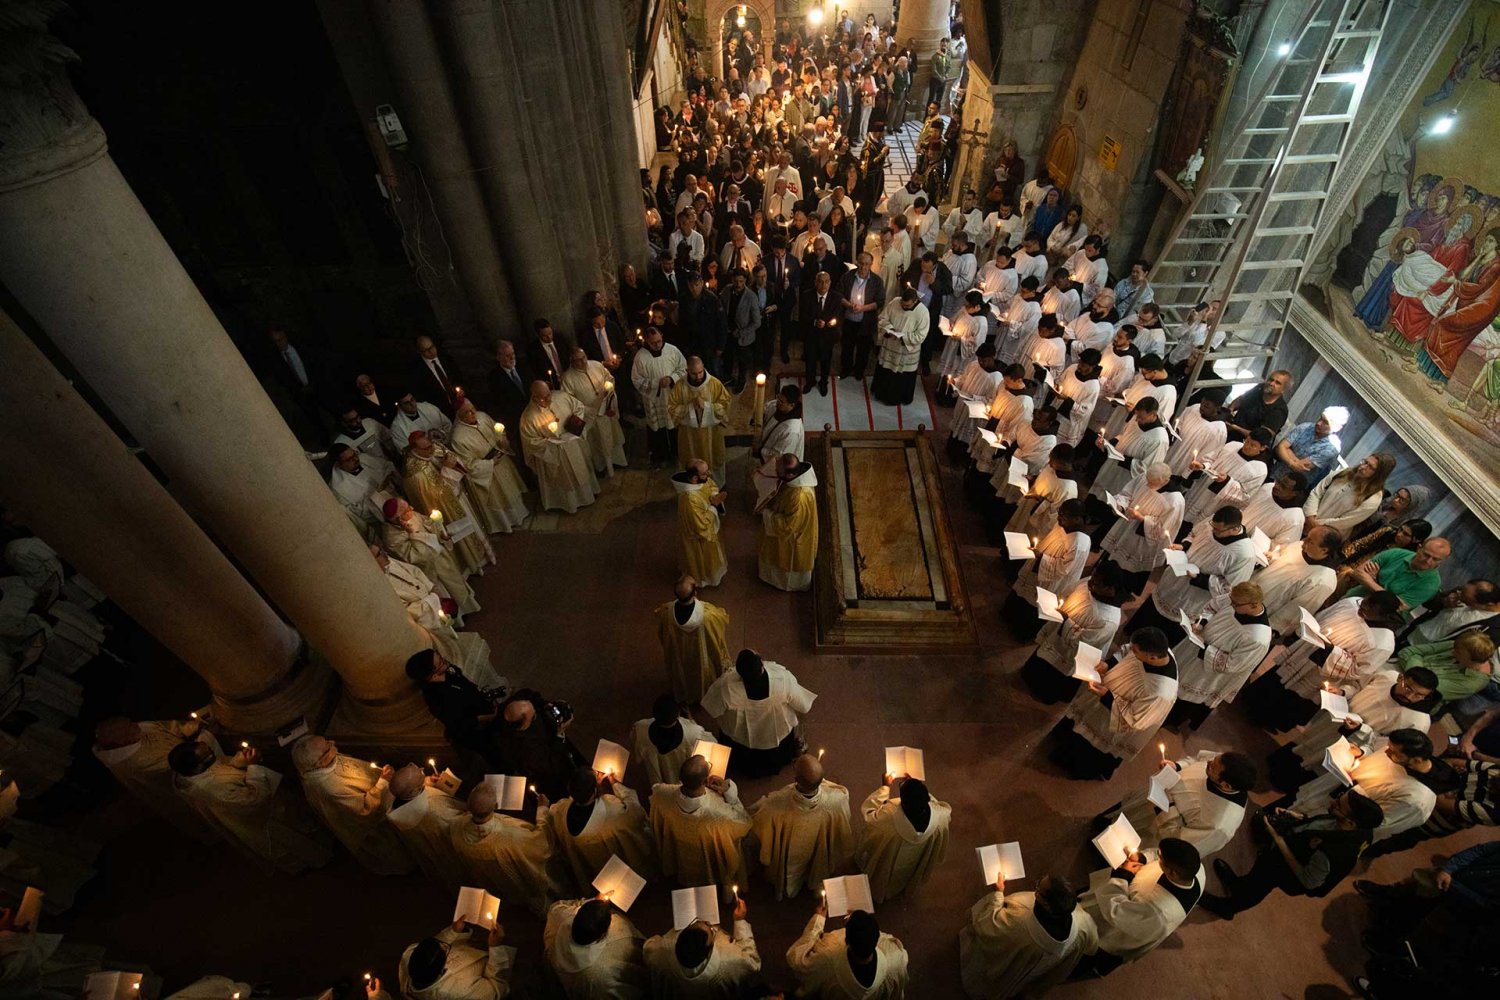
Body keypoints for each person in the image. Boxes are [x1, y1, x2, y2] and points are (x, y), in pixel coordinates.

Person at [1199, 792, 1384, 920]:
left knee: (1258, 886)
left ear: (1350, 823)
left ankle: (1229, 908)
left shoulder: (1333, 854)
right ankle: (1237, 884)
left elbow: (1308, 880)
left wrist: (1279, 842)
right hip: (1287, 850)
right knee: (1255, 875)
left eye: (1338, 805)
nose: (1333, 802)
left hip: (1286, 871)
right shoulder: (1357, 827)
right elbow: (1322, 825)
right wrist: (1296, 817)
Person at [167, 738, 332, 874]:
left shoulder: (194, 770)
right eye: (209, 756)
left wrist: (240, 761)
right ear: (198, 766)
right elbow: (254, 801)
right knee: (296, 840)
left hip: (271, 805)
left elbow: (219, 765)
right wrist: (253, 766)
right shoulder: (209, 790)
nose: (213, 755)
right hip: (263, 819)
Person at [1049, 627, 1178, 780]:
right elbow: (1126, 651)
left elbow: (1135, 719)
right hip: (1104, 697)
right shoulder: (1156, 650)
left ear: (1152, 658)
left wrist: (1107, 696)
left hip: (1112, 720)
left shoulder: (1161, 693)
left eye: (1135, 650)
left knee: (1090, 742)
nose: (1132, 651)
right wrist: (1108, 664)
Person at [1077, 837, 1203, 975]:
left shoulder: (1157, 911)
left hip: (1116, 930)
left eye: (1161, 858)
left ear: (1172, 873)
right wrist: (1142, 858)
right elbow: (1157, 853)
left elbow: (1116, 911)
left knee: (1084, 952)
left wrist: (1122, 875)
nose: (1158, 856)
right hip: (1132, 909)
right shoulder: (1196, 869)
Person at [292, 734, 414, 876]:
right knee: (394, 851)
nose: (333, 743)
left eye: (327, 740)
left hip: (382, 791)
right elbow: (364, 811)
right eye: (328, 746)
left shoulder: (324, 761)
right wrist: (383, 782)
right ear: (320, 762)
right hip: (374, 825)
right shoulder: (328, 788)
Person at [958, 874, 1097, 998]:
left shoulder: (1018, 924)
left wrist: (998, 894)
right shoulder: (1082, 922)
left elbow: (987, 926)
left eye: (1038, 889)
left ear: (1046, 904)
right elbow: (1091, 946)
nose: (1035, 891)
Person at [92, 715, 223, 844]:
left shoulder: (137, 730)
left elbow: (166, 728)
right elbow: (184, 764)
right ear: (119, 742)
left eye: (131, 722)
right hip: (186, 786)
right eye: (129, 728)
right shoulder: (137, 763)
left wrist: (194, 726)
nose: (136, 725)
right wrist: (207, 735)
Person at [1165, 583, 1273, 730]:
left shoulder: (1258, 637)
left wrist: (1206, 649)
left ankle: (1170, 720)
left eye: (1236, 603)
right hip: (1195, 645)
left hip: (1208, 669)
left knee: (1186, 697)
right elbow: (1212, 607)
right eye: (1232, 600)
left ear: (1254, 604)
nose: (1231, 604)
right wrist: (1202, 622)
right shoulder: (1236, 599)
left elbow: (1233, 664)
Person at [1112, 750, 1258, 858]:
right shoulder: (1221, 762)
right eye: (1213, 760)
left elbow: (1184, 845)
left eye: (1211, 767)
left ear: (1226, 786)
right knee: (1123, 810)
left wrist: (1166, 808)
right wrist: (1177, 766)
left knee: (1121, 842)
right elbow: (1196, 759)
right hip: (1155, 793)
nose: (1208, 763)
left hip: (1156, 823)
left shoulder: (1220, 826)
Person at [747, 753, 852, 901]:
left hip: (788, 853)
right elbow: (844, 805)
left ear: (796, 779)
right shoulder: (837, 800)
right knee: (817, 862)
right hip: (817, 847)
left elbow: (758, 818)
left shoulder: (777, 802)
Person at [540, 767, 657, 894]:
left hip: (592, 866)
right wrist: (615, 783)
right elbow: (635, 812)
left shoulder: (560, 811)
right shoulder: (613, 812)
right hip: (616, 859)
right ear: (595, 790)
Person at [701, 649, 817, 776]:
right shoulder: (782, 679)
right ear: (761, 665)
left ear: (739, 673)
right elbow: (803, 706)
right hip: (776, 736)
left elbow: (712, 709)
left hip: (741, 740)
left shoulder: (727, 686)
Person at [450, 782, 556, 918]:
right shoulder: (509, 837)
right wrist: (542, 810)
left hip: (494, 884)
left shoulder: (456, 828)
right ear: (495, 806)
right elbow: (540, 843)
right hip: (519, 883)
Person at [649, 754, 752, 893]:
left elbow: (655, 789)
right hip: (709, 856)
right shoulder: (718, 813)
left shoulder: (662, 794)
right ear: (705, 781)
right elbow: (744, 822)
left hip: (681, 852)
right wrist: (729, 791)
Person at [1021, 570, 1125, 705]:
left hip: (1069, 652)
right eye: (1092, 580)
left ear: (1110, 589)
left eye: (1096, 583)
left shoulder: (1109, 619)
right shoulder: (1090, 582)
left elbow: (1084, 643)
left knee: (1052, 677)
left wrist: (1066, 621)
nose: (1090, 584)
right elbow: (1070, 590)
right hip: (1057, 636)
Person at [403, 429, 495, 575]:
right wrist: (447, 468)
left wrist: (450, 460)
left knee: (474, 527)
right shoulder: (415, 473)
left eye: (431, 445)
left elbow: (452, 456)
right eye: (426, 448)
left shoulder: (435, 448)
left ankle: (484, 554)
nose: (431, 450)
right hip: (448, 509)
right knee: (463, 534)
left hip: (459, 495)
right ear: (415, 449)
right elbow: (437, 495)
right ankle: (475, 562)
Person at [642, 895, 761, 997]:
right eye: (711, 930)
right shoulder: (730, 960)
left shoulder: (661, 951)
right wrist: (739, 920)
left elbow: (648, 947)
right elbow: (752, 961)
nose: (709, 923)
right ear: (709, 950)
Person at [857, 775, 951, 903]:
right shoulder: (940, 817)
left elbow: (870, 816)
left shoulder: (888, 818)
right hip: (915, 860)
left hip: (889, 859)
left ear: (904, 802)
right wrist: (916, 786)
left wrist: (884, 788)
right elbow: (935, 804)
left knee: (883, 873)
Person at [785, 904, 909, 999]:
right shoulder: (895, 956)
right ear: (877, 939)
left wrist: (818, 920)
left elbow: (797, 959)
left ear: (847, 940)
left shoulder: (828, 957)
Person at [406, 648, 504, 764]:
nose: (445, 661)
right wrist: (492, 717)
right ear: (431, 675)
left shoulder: (448, 672)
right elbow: (463, 723)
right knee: (497, 754)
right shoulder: (437, 699)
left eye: (440, 657)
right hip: (475, 731)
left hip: (483, 711)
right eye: (441, 662)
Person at [448, 400, 530, 533]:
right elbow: (467, 465)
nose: (473, 413)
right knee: (499, 499)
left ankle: (521, 514)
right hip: (487, 473)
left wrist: (502, 440)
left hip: (501, 463)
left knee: (510, 491)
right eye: (467, 412)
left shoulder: (483, 416)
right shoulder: (458, 437)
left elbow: (498, 431)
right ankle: (505, 524)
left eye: (473, 409)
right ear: (459, 416)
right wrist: (490, 463)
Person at [543, 896, 648, 999]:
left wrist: (596, 899)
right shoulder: (599, 976)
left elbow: (557, 906)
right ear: (602, 935)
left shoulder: (558, 915)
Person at [520, 380, 601, 514]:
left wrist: (574, 422)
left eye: (548, 395)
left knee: (580, 469)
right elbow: (530, 442)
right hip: (555, 454)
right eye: (543, 398)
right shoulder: (528, 417)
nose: (548, 400)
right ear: (534, 397)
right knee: (565, 479)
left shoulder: (561, 397)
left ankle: (588, 495)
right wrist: (550, 443)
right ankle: (570, 504)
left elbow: (579, 407)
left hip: (573, 445)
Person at [386, 762, 469, 889]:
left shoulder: (395, 799)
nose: (422, 773)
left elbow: (412, 792)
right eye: (421, 782)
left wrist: (428, 782)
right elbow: (457, 823)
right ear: (415, 790)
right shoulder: (433, 809)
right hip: (446, 848)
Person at [1251, 524, 1345, 636]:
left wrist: (1271, 629)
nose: (1303, 541)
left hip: (1261, 614)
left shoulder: (1324, 581)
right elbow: (1280, 558)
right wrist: (1272, 557)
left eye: (1310, 541)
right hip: (1248, 588)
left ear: (1324, 550)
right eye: (1307, 537)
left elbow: (1294, 611)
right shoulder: (1299, 546)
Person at [654, 574, 730, 704]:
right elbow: (720, 625)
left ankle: (684, 695)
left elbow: (662, 634)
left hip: (680, 656)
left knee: (683, 673)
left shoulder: (666, 612)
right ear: (695, 593)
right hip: (702, 657)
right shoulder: (708, 616)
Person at [494, 689, 584, 800]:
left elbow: (530, 695)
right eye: (533, 716)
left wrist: (548, 705)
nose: (535, 711)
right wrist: (559, 735)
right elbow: (551, 762)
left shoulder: (512, 709)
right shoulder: (526, 750)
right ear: (523, 726)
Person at [396, 917, 514, 999]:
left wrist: (454, 931)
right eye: (445, 951)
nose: (445, 946)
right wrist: (496, 948)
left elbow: (436, 943)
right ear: (441, 971)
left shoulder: (409, 954)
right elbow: (497, 987)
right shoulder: (464, 993)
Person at [560, 348, 628, 478]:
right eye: (578, 360)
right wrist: (589, 410)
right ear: (572, 362)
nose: (583, 362)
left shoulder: (596, 365)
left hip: (606, 410)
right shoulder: (567, 378)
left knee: (611, 436)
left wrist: (608, 389)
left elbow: (609, 378)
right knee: (596, 441)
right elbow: (569, 401)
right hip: (590, 416)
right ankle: (601, 466)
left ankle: (617, 460)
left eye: (584, 357)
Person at [1345, 537, 1452, 617]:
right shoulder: (1397, 553)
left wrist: (1374, 580)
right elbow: (1358, 572)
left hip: (1378, 618)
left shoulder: (1432, 583)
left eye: (1436, 559)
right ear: (1419, 548)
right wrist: (1386, 593)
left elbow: (1397, 606)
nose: (1428, 561)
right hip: (1352, 599)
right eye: (1426, 555)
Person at [758, 455, 819, 592]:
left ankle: (788, 584)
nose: (776, 473)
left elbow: (788, 525)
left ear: (790, 474)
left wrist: (766, 513)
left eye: (779, 471)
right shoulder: (795, 479)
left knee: (787, 563)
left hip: (793, 538)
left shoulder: (800, 496)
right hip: (786, 522)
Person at [632, 693, 717, 788]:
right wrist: (691, 721)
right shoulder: (693, 732)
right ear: (678, 715)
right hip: (683, 776)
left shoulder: (640, 728)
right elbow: (713, 743)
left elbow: (639, 754)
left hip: (657, 779)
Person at [669, 357, 732, 484]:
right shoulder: (680, 386)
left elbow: (725, 404)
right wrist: (689, 407)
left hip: (712, 433)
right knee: (691, 461)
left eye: (700, 372)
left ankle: (716, 485)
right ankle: (693, 486)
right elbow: (671, 408)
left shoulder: (714, 384)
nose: (698, 376)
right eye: (694, 373)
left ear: (703, 368)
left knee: (714, 459)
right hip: (689, 434)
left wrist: (707, 406)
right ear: (687, 370)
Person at [1303, 453, 1397, 535]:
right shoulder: (1344, 473)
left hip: (1324, 534)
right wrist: (1310, 516)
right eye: (1365, 462)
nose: (1363, 467)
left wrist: (1314, 525)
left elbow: (1344, 522)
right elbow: (1317, 493)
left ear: (1378, 475)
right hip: (1305, 519)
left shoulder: (1373, 498)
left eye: (1370, 467)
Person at [633, 327, 689, 463]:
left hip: (671, 395)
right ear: (647, 341)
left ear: (662, 336)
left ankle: (677, 453)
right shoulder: (640, 357)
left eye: (659, 341)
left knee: (674, 427)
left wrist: (671, 379)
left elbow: (684, 368)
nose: (657, 345)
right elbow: (636, 380)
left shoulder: (672, 350)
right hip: (654, 399)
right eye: (653, 343)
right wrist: (656, 383)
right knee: (657, 429)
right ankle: (661, 455)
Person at [1398, 630, 1496, 704]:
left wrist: (1416, 658)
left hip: (1411, 699)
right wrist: (1415, 666)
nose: (1453, 652)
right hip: (1400, 673)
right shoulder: (1460, 646)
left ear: (1472, 660)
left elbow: (1421, 687)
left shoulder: (1472, 683)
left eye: (1458, 652)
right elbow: (1406, 652)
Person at [671, 462, 728, 588]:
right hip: (698, 538)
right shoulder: (689, 498)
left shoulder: (701, 480)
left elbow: (711, 485)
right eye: (705, 472)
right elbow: (701, 525)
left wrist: (714, 496)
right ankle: (703, 578)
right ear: (694, 478)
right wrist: (714, 505)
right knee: (703, 560)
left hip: (708, 524)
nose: (709, 474)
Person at [871, 285, 930, 405]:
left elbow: (921, 335)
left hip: (906, 351)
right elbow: (882, 318)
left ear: (915, 301)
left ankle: (898, 398)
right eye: (902, 304)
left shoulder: (923, 312)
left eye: (907, 305)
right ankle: (880, 394)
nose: (903, 306)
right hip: (890, 345)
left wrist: (903, 337)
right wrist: (889, 329)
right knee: (886, 372)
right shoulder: (895, 302)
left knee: (901, 377)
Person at [1271, 406, 1348, 488]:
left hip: (1290, 488)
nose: (1319, 423)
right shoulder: (1306, 427)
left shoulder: (1332, 448)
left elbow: (1301, 467)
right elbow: (1280, 447)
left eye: (1325, 422)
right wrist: (1291, 461)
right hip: (1274, 474)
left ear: (1337, 428)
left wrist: (1287, 450)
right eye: (1321, 418)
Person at [836, 252, 885, 379]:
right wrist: (849, 305)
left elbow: (880, 302)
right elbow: (839, 295)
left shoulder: (876, 281)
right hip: (849, 320)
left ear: (871, 265)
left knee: (863, 350)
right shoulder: (847, 277)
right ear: (857, 262)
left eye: (867, 264)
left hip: (866, 322)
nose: (863, 267)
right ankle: (846, 369)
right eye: (861, 264)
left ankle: (859, 371)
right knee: (847, 347)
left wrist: (863, 308)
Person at [800, 270, 842, 395]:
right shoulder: (807, 295)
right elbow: (802, 316)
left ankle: (823, 383)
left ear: (830, 283)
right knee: (810, 360)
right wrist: (814, 322)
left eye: (826, 282)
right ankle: (810, 381)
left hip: (828, 336)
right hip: (811, 335)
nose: (823, 285)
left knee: (826, 361)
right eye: (820, 282)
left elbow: (839, 316)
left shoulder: (836, 297)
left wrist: (832, 323)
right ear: (815, 283)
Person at [409, 334, 462, 411]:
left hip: (460, 403)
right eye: (426, 350)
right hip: (440, 410)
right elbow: (421, 395)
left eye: (432, 347)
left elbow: (457, 376)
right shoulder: (417, 370)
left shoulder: (445, 357)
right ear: (419, 351)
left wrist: (461, 389)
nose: (431, 351)